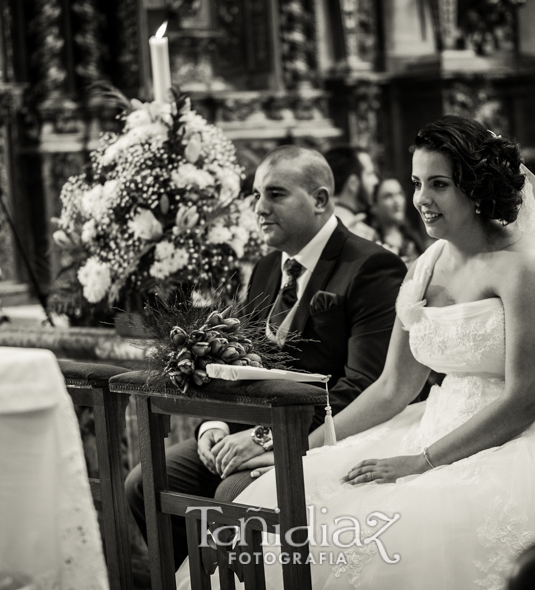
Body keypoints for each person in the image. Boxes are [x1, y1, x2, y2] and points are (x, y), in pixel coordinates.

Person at [177, 116, 535, 590]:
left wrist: (419, 463)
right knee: (290, 493)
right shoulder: (428, 265)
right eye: (417, 182)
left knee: (403, 535)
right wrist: (305, 443)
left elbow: (525, 400)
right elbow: (393, 388)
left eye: (439, 184)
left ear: (475, 187)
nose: (421, 199)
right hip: (436, 424)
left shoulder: (533, 270)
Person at [125, 145, 407, 571]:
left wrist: (265, 439)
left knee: (233, 492)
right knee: (144, 481)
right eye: (256, 194)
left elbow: (362, 385)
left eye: (275, 194)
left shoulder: (371, 267)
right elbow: (241, 363)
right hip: (257, 428)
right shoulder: (266, 269)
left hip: (333, 435)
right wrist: (215, 424)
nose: (258, 208)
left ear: (320, 200)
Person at [323, 146, 380, 242]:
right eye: (369, 174)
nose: (376, 181)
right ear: (353, 183)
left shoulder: (321, 224)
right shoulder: (361, 234)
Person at [368, 176, 423, 264]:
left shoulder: (412, 238)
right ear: (374, 206)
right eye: (388, 196)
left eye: (400, 193)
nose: (397, 201)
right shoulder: (371, 241)